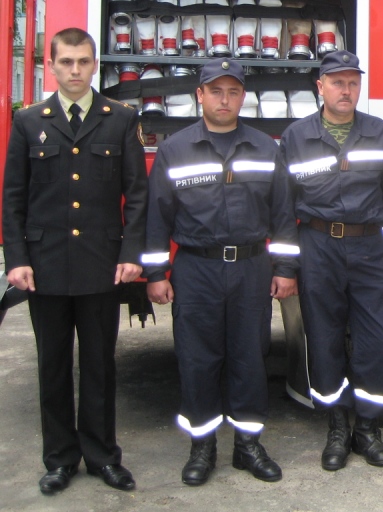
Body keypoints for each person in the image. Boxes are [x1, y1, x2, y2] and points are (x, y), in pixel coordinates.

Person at [2, 27, 146, 495]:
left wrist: (130, 255)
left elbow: (137, 196)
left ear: (94, 64)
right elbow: (13, 198)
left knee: (101, 366)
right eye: (66, 62)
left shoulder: (120, 118)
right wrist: (16, 259)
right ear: (52, 64)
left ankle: (104, 456)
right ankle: (60, 459)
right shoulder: (28, 121)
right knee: (53, 365)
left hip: (102, 264)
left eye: (84, 62)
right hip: (44, 267)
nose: (75, 71)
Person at [143, 58, 299, 486]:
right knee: (198, 360)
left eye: (232, 91)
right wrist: (156, 273)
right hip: (196, 268)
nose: (224, 99)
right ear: (200, 95)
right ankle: (203, 446)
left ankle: (248, 446)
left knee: (250, 358)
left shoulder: (267, 148)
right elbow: (156, 217)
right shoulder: (176, 149)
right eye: (216, 91)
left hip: (251, 266)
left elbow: (283, 215)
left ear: (242, 96)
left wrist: (284, 267)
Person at [279, 50, 383, 471]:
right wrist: (287, 266)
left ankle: (367, 428)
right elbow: (283, 208)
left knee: (380, 341)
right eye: (337, 82)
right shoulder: (296, 136)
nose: (345, 90)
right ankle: (336, 426)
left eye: (352, 82)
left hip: (370, 250)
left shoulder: (378, 130)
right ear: (320, 87)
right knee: (324, 338)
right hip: (318, 248)